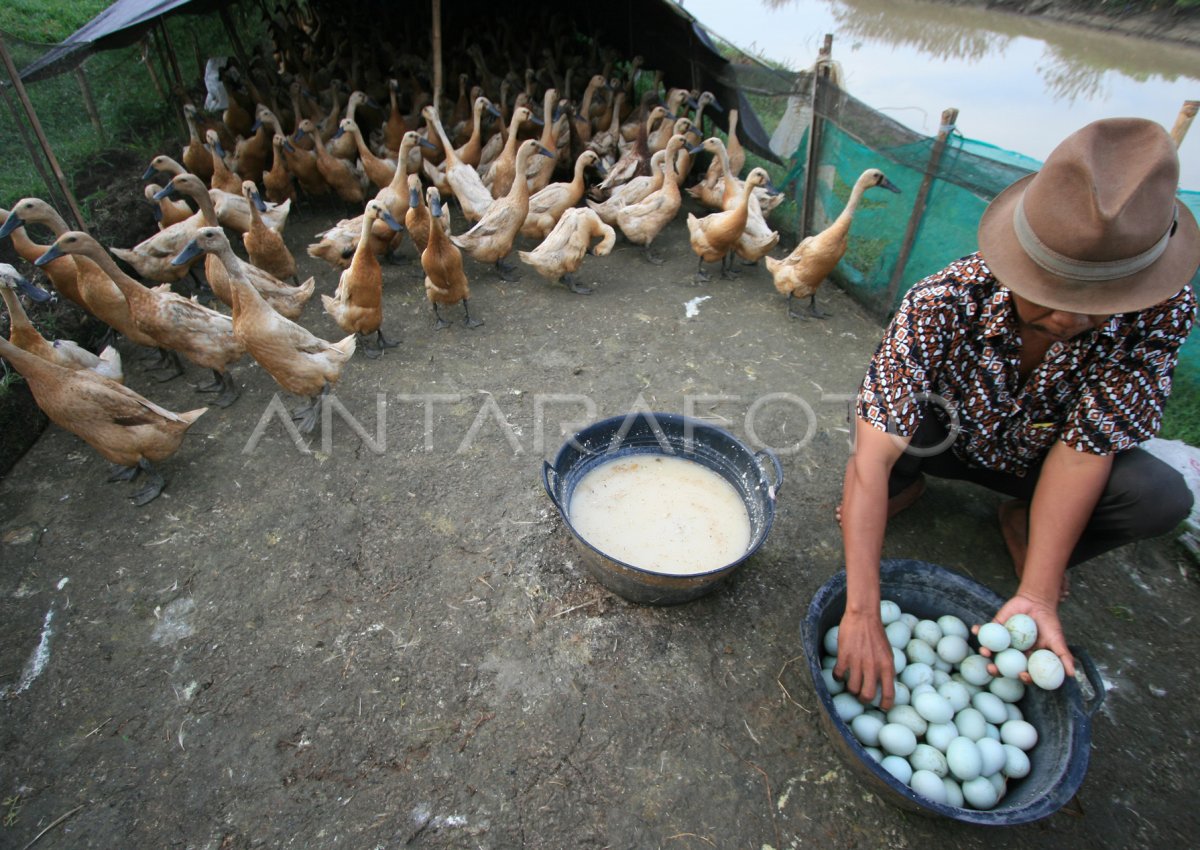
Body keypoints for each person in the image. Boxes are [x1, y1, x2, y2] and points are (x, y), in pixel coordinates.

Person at [835, 117, 1200, 710]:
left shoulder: (1159, 313)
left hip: (1043, 456)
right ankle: (912, 486)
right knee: (884, 417)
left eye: (1096, 304)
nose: (1070, 321)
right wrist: (861, 608)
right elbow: (869, 458)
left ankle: (1026, 525)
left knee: (1159, 497)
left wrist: (1037, 595)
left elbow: (1087, 449)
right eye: (1052, 294)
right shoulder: (943, 302)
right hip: (949, 439)